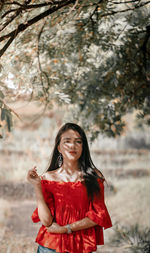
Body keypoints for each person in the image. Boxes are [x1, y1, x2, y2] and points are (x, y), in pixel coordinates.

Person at [27, 122, 112, 253]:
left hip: (81, 245)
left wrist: (65, 228)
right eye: (67, 141)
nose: (73, 146)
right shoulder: (48, 178)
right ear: (59, 148)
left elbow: (98, 215)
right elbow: (47, 221)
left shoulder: (93, 177)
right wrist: (37, 186)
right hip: (50, 247)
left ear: (83, 147)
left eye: (78, 142)